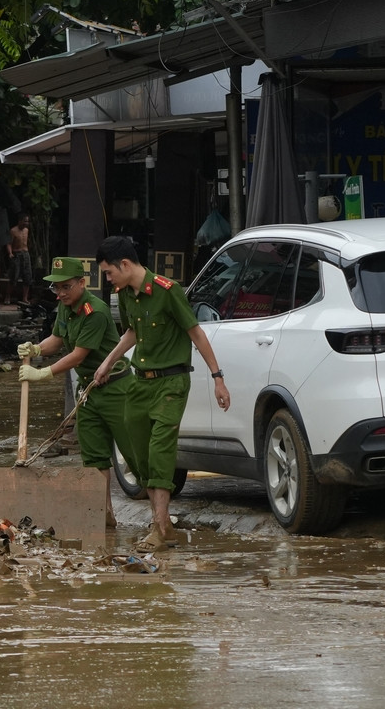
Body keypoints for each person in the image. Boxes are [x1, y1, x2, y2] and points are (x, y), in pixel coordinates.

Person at [93, 236, 231, 553]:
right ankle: (165, 526)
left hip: (172, 382)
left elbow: (195, 332)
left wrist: (217, 378)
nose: (108, 278)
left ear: (125, 265)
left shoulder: (169, 292)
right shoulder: (125, 294)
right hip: (140, 383)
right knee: (137, 452)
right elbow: (131, 332)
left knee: (159, 451)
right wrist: (107, 362)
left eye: (109, 272)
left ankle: (158, 526)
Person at [18, 257, 132, 529]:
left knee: (133, 454)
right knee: (93, 458)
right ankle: (103, 515)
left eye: (66, 287)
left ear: (82, 283)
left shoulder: (96, 312)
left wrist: (43, 373)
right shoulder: (65, 307)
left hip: (116, 389)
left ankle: (159, 522)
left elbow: (79, 355)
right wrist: (36, 349)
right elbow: (57, 339)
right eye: (56, 288)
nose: (60, 293)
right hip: (90, 391)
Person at [8, 213, 32, 304]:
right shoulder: (13, 231)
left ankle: (24, 298)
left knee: (27, 276)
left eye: (27, 221)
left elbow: (27, 242)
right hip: (17, 254)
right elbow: (9, 243)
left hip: (25, 254)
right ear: (20, 221)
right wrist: (10, 253)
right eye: (25, 221)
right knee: (14, 276)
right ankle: (8, 296)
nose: (27, 223)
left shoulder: (26, 230)